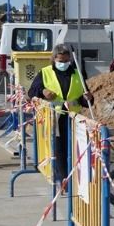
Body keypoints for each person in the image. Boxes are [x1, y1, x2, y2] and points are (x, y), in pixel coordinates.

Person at [28, 45, 93, 184]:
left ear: (70, 59)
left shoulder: (77, 73)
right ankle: (64, 181)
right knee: (59, 149)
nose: (63, 64)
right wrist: (43, 91)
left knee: (75, 148)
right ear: (54, 59)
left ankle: (77, 179)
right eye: (60, 61)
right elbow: (32, 91)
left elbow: (85, 100)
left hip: (73, 117)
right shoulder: (45, 72)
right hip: (54, 117)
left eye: (65, 61)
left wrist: (88, 97)